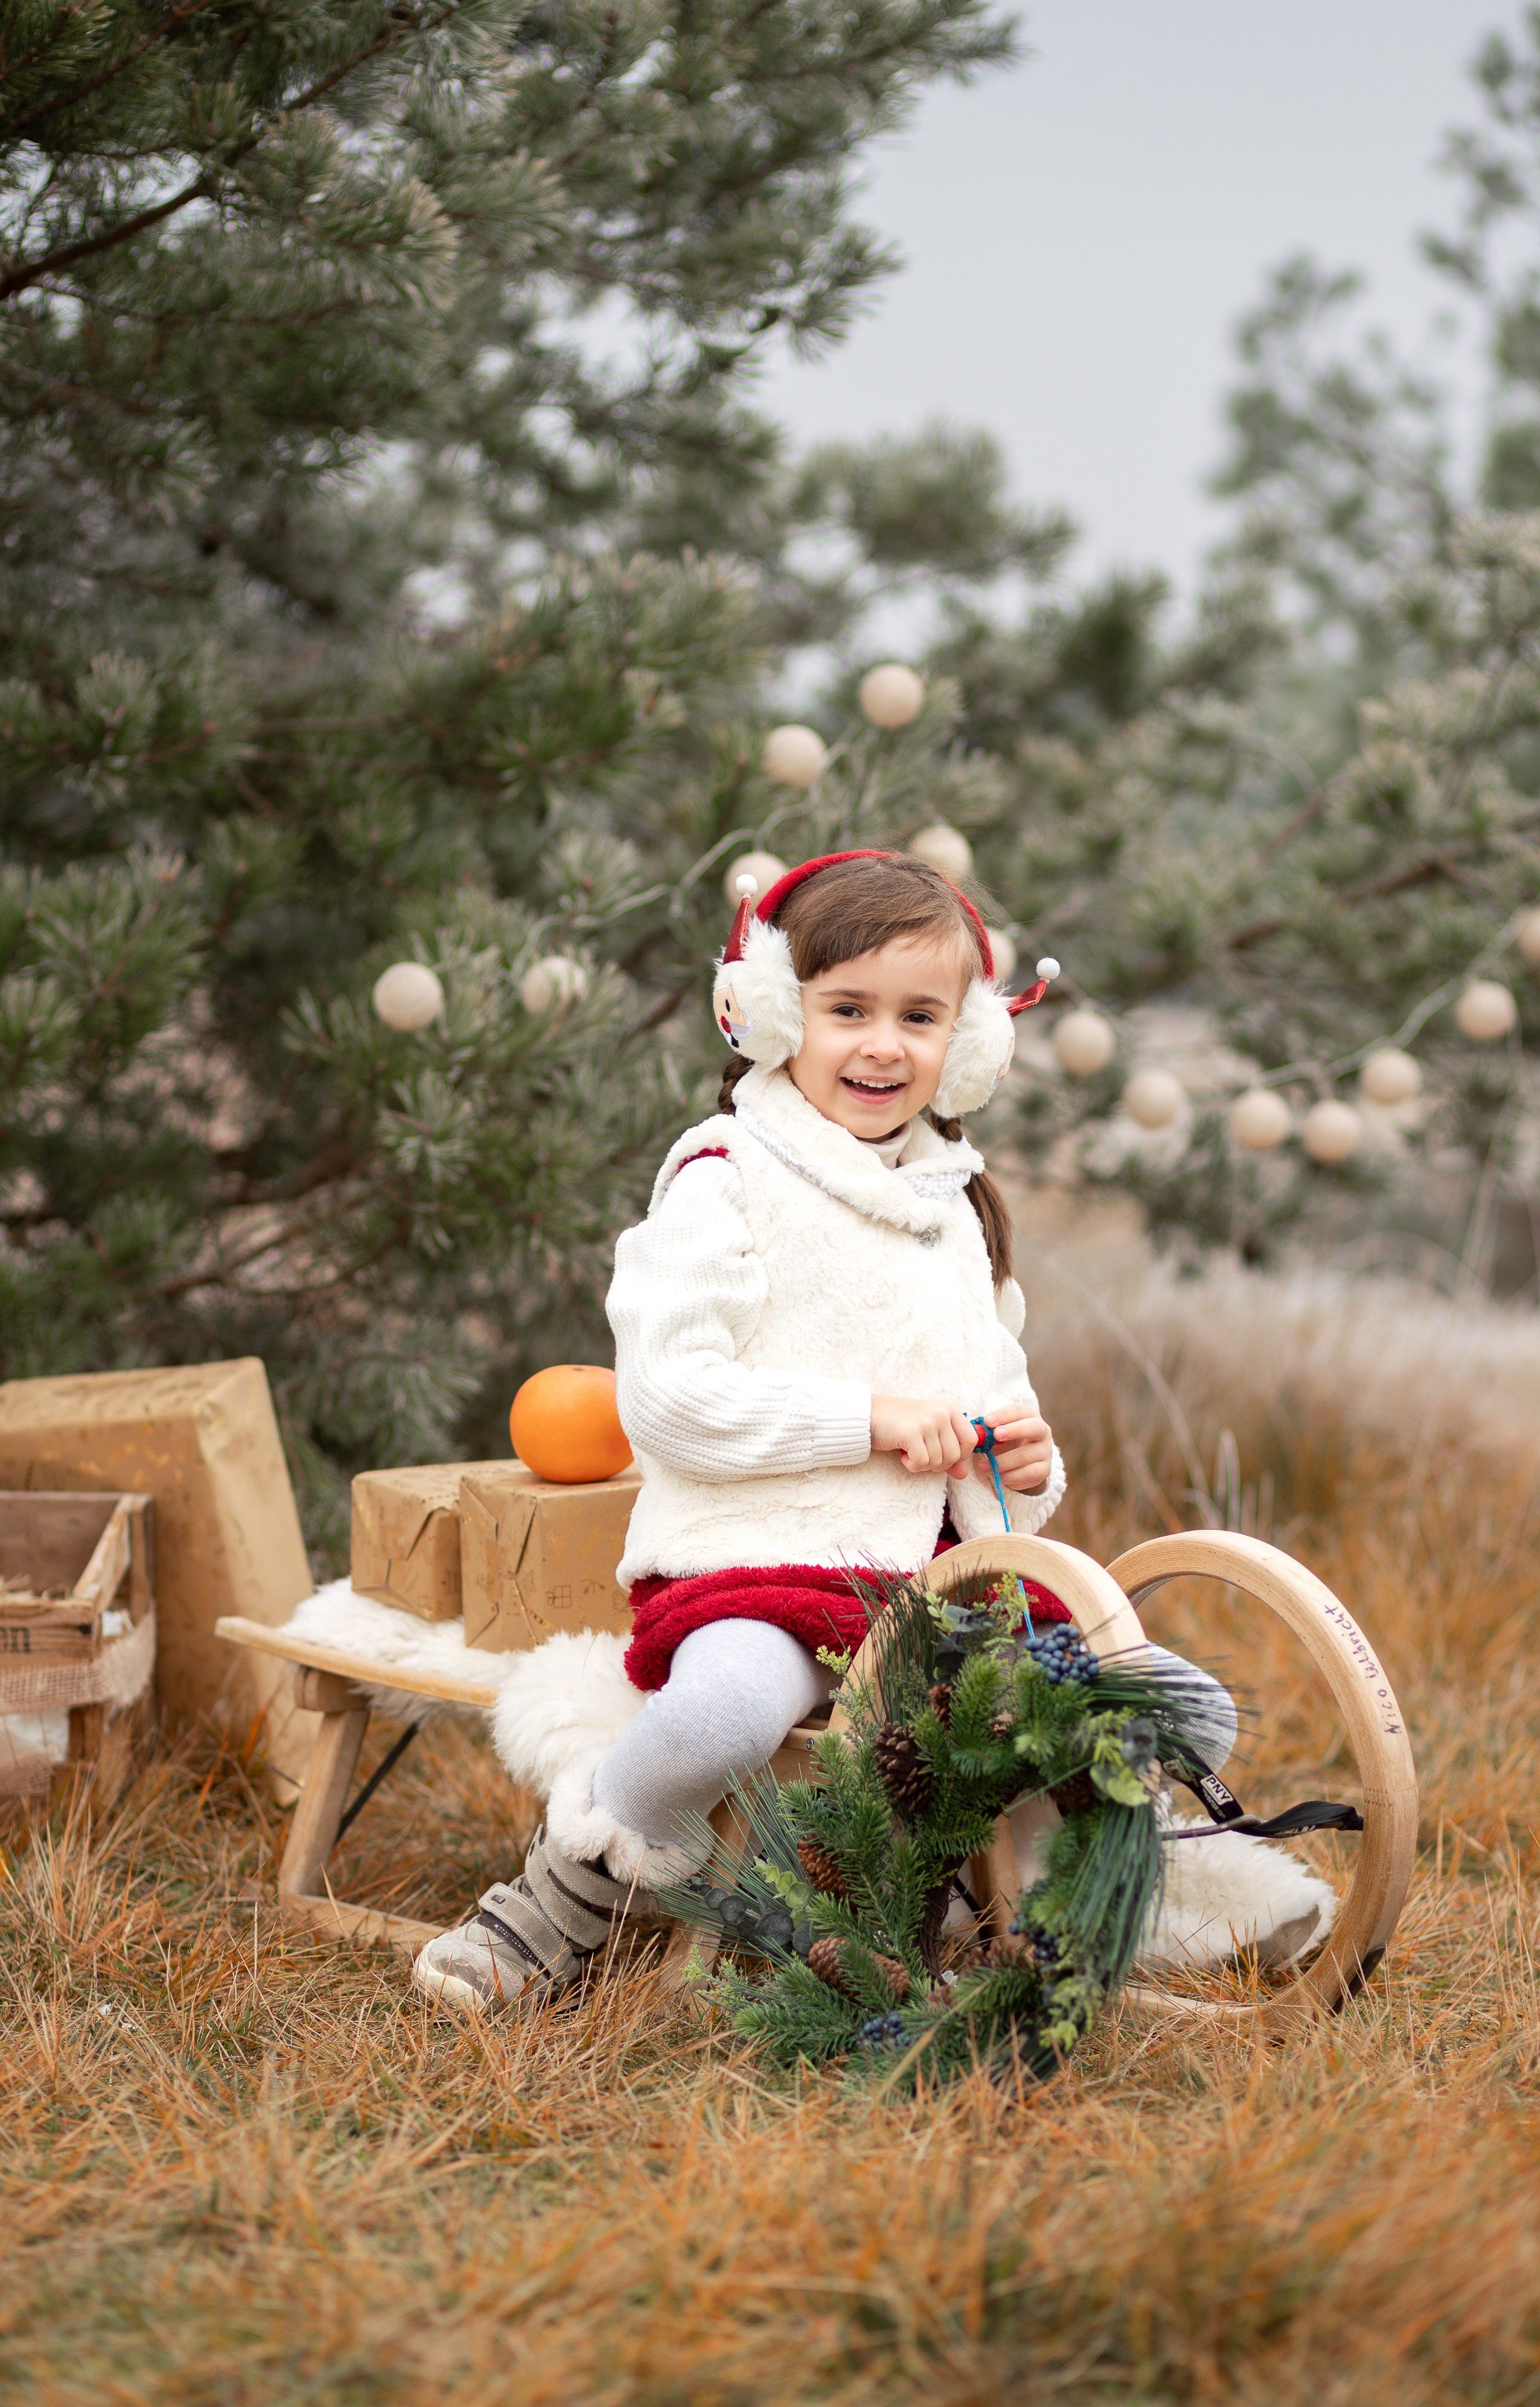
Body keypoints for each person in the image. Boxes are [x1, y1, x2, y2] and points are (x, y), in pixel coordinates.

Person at [413, 852, 1249, 2011]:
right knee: (718, 1716)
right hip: (756, 1566)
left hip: (928, 1586)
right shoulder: (722, 1176)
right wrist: (868, 1421)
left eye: (918, 1017)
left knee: (1188, 1707)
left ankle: (1058, 1903)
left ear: (964, 1044)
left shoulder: (951, 1208)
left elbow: (990, 1421)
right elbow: (668, 1401)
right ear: (767, 1011)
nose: (880, 1045)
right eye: (845, 1008)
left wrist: (1021, 1460)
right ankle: (567, 1893)